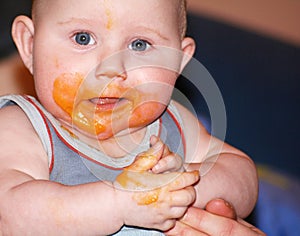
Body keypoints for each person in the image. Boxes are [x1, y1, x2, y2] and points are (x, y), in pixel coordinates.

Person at [0, 0, 259, 235]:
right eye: (82, 38)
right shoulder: (21, 127)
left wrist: (180, 184)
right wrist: (119, 202)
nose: (111, 68)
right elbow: (9, 215)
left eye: (139, 45)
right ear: (29, 45)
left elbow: (242, 175)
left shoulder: (174, 124)